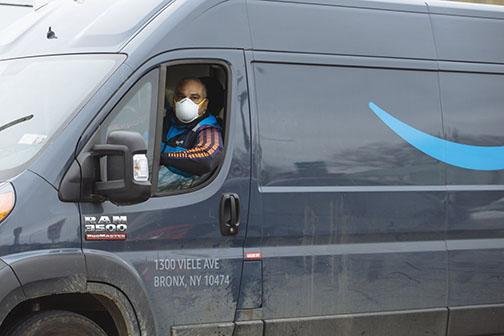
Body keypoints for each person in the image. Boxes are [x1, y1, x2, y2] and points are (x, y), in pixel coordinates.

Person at [158, 78, 223, 190]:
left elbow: (207, 157)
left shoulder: (208, 128)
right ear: (174, 100)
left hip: (181, 194)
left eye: (194, 98)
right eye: (181, 97)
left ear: (205, 104)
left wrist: (161, 158)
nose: (186, 102)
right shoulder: (165, 121)